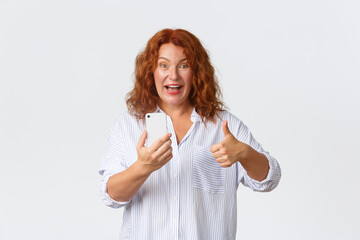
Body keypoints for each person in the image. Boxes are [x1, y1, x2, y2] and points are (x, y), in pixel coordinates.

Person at [99, 28, 281, 239]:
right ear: (152, 71)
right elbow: (110, 196)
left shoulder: (225, 126)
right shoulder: (127, 125)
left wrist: (244, 153)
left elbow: (270, 179)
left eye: (184, 65)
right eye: (163, 65)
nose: (173, 75)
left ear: (196, 72)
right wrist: (142, 168)